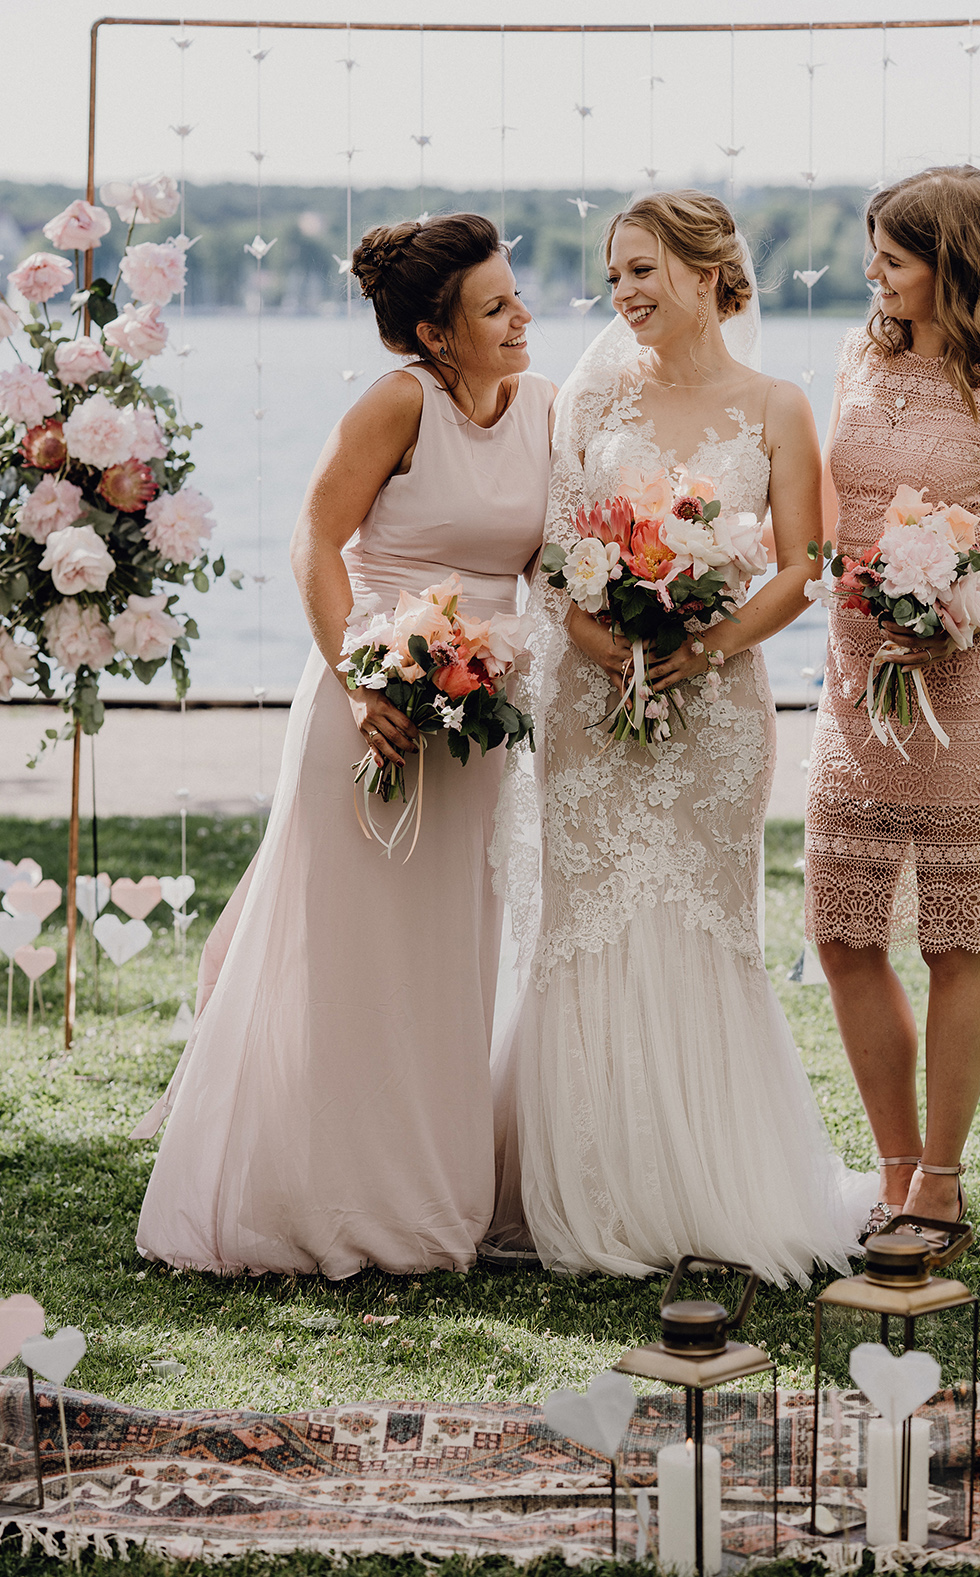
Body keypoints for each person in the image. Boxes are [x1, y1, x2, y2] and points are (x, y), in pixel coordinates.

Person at [135, 214, 555, 1277]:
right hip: (369, 707)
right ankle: (325, 1199)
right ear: (436, 331)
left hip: (479, 726)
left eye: (517, 295)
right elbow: (313, 539)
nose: (522, 315)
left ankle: (434, 1201)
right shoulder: (398, 402)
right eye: (496, 305)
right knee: (354, 961)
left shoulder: (545, 406)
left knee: (448, 962)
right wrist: (363, 675)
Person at [489, 189, 873, 1284]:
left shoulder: (777, 406)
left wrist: (701, 648)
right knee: (590, 918)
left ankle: (712, 1181)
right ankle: (596, 1184)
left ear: (712, 273)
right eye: (616, 274)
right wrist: (594, 633)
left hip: (714, 702)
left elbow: (807, 562)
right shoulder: (590, 397)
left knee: (704, 922)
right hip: (590, 693)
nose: (626, 293)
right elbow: (556, 548)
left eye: (646, 269)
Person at [805, 166, 980, 1237]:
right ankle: (888, 1164)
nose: (872, 273)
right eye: (873, 252)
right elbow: (834, 512)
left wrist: (971, 607)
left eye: (894, 256)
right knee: (841, 930)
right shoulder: (855, 354)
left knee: (953, 936)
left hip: (962, 678)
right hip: (851, 674)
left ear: (953, 263)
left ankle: (941, 1177)